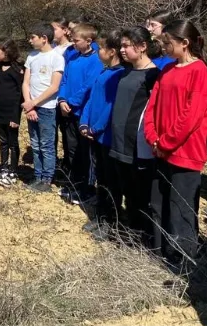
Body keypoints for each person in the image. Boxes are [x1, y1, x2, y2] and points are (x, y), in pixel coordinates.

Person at [144, 19, 207, 272]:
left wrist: (167, 142)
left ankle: (184, 261)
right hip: (160, 149)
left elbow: (191, 116)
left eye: (168, 43)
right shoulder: (168, 69)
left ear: (185, 43)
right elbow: (152, 106)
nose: (163, 47)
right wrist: (153, 138)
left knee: (181, 207)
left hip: (185, 152)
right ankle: (162, 252)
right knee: (159, 202)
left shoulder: (199, 71)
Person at [108, 26, 161, 244]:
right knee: (127, 190)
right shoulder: (127, 70)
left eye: (126, 45)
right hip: (119, 141)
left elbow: (154, 111)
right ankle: (129, 231)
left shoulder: (153, 75)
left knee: (140, 193)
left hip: (137, 144)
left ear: (142, 47)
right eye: (120, 45)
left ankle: (142, 236)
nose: (121, 50)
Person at [79, 29, 126, 239]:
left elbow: (111, 106)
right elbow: (91, 100)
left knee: (111, 182)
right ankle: (100, 216)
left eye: (102, 47)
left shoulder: (120, 75)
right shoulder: (104, 71)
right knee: (101, 179)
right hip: (94, 135)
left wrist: (96, 128)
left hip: (106, 137)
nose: (98, 51)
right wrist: (84, 123)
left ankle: (111, 221)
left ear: (112, 51)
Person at [57, 23, 104, 204]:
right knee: (72, 149)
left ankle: (88, 188)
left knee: (86, 154)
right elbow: (64, 80)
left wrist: (72, 102)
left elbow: (89, 86)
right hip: (67, 111)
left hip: (82, 113)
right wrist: (62, 99)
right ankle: (75, 183)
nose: (73, 43)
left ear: (88, 41)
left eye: (76, 41)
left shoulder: (96, 60)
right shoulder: (74, 58)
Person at [22, 22, 65, 192]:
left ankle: (47, 179)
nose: (30, 40)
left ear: (44, 38)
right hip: (31, 107)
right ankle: (37, 176)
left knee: (46, 144)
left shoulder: (57, 57)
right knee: (35, 143)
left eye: (33, 37)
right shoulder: (32, 56)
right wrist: (29, 106)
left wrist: (34, 102)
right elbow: (26, 82)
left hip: (47, 107)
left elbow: (54, 87)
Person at [0, 38, 24, 187]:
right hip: (0, 110)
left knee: (12, 142)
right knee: (3, 141)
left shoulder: (17, 69)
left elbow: (20, 94)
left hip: (12, 112)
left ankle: (13, 170)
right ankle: (3, 168)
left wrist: (15, 116)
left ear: (6, 52)